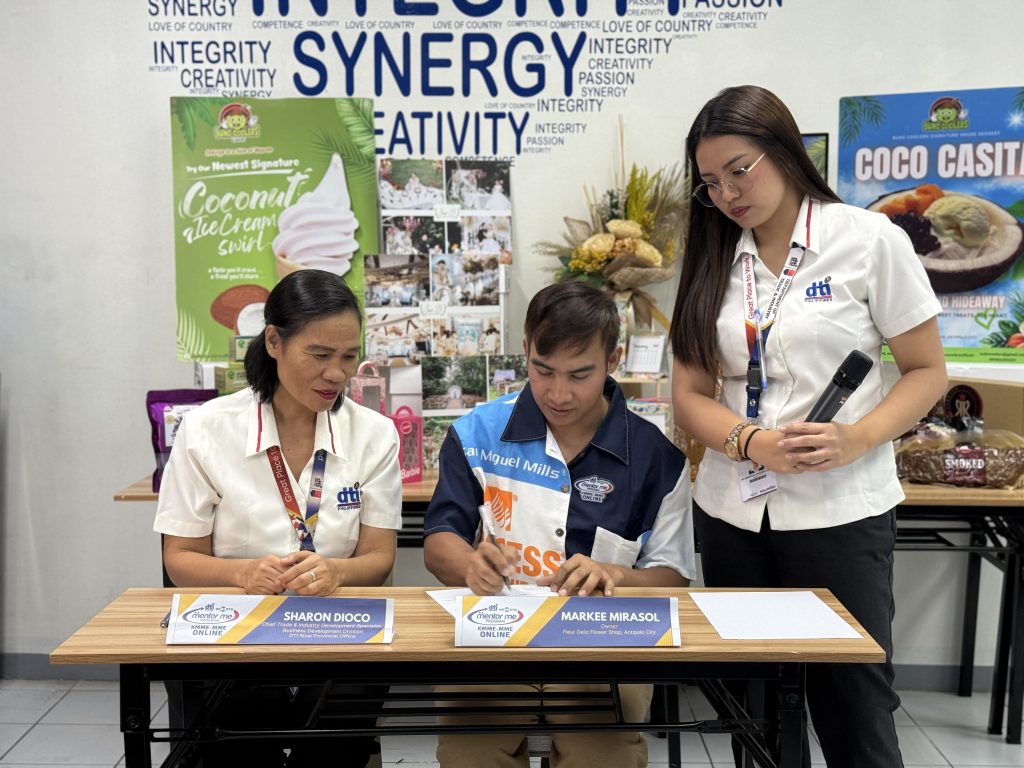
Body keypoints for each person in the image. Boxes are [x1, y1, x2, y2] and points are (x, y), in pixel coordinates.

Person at [669, 85, 947, 768]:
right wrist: (750, 442)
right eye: (710, 183)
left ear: (783, 151)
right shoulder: (710, 257)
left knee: (853, 705)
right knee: (752, 708)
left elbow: (925, 372)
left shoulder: (867, 239)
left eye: (740, 168)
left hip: (841, 511)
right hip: (735, 513)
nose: (729, 193)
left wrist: (856, 436)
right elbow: (691, 394)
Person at [424, 281, 695, 768]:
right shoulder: (477, 433)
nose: (557, 393)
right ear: (525, 349)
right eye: (541, 370)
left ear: (614, 359)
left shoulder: (656, 458)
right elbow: (438, 541)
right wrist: (471, 563)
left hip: (602, 645)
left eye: (579, 374)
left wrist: (615, 576)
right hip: (496, 635)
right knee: (470, 756)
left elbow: (673, 577)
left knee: (605, 759)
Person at [154, 269, 402, 768]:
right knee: (243, 746)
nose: (337, 374)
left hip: (337, 627)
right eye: (320, 355)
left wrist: (337, 572)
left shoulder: (374, 435)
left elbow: (378, 557)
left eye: (349, 357)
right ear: (274, 341)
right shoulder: (207, 430)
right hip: (238, 627)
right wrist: (243, 573)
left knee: (333, 746)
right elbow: (179, 558)